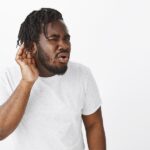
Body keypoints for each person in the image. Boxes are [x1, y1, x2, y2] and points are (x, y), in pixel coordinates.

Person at [0, 8, 106, 150]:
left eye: (66, 39)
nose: (64, 45)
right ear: (32, 46)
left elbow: (94, 125)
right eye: (54, 38)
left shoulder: (82, 75)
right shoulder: (9, 77)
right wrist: (27, 82)